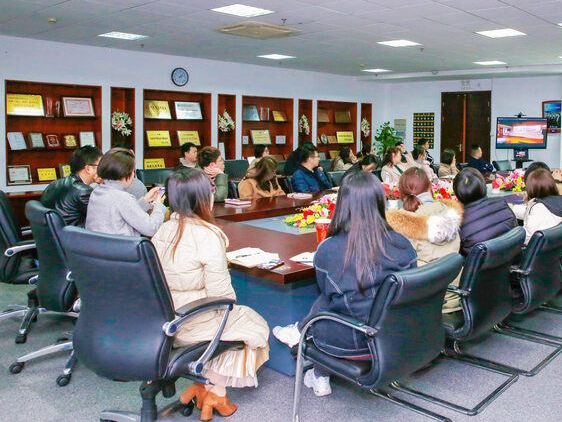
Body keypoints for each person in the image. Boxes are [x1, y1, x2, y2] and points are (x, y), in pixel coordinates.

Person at [271, 171, 416, 397]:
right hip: (397, 335)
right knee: (337, 302)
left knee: (328, 305)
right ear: (380, 202)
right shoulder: (403, 244)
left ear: (342, 204)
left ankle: (314, 361)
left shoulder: (329, 249)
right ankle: (312, 357)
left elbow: (326, 293)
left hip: (352, 342)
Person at [151, 168, 269, 418]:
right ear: (203, 198)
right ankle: (216, 391)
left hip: (161, 320)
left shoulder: (161, 230)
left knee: (235, 323)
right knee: (254, 325)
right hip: (192, 322)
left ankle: (203, 387)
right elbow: (222, 297)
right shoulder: (208, 235)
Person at [385, 167, 463, 312]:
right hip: (455, 295)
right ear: (430, 188)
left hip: (425, 304)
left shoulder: (404, 225)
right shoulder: (450, 215)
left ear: (401, 193)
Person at [85, 148, 166, 237]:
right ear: (128, 174)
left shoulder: (96, 192)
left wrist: (145, 200)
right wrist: (159, 205)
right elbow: (151, 229)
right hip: (122, 245)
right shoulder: (122, 197)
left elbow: (125, 212)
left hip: (97, 245)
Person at [454, 167, 517, 256]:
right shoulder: (501, 204)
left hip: (481, 264)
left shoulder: (459, 223)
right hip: (511, 260)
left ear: (457, 194)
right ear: (483, 185)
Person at [509, 169, 562, 245]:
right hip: (560, 248)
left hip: (534, 250)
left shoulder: (539, 208)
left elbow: (527, 239)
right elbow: (541, 215)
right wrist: (513, 208)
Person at [41, 145, 103, 227]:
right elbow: (102, 217)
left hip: (55, 233)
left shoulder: (55, 183)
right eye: (101, 166)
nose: (104, 169)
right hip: (75, 234)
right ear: (88, 169)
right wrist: (106, 184)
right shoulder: (83, 191)